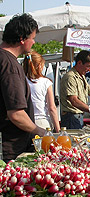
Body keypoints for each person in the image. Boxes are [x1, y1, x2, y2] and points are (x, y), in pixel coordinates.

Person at [0, 13, 45, 163]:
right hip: (10, 149)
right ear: (21, 39)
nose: (33, 42)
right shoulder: (9, 66)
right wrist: (40, 132)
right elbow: (16, 114)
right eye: (32, 38)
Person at [60, 50, 90, 129]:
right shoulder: (70, 77)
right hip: (71, 118)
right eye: (88, 66)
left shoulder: (81, 76)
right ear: (79, 63)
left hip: (78, 117)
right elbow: (74, 100)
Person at [23, 50, 60, 133]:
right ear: (39, 66)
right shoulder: (45, 82)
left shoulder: (20, 81)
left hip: (25, 121)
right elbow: (52, 108)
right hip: (42, 121)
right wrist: (58, 130)